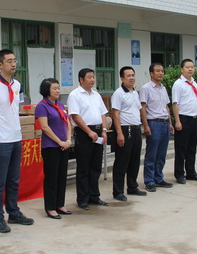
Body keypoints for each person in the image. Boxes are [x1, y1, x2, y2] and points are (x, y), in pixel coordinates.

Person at [0, 49, 34, 233]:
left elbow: (15, 108)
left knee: (14, 180)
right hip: (0, 140)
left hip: (16, 137)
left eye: (14, 60)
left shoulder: (17, 84)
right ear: (0, 64)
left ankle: (13, 212)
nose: (13, 64)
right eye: (9, 61)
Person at [67, 68, 109, 210]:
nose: (92, 80)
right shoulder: (75, 95)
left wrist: (104, 130)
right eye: (89, 77)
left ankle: (94, 196)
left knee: (96, 166)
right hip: (84, 132)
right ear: (81, 79)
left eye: (93, 77)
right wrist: (89, 132)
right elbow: (75, 116)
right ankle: (83, 199)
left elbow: (103, 113)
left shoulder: (96, 95)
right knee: (83, 167)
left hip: (98, 131)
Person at [35, 78, 72, 219]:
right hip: (51, 147)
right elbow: (45, 127)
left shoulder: (60, 105)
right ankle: (50, 207)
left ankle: (60, 204)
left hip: (64, 146)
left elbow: (67, 122)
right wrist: (59, 142)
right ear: (47, 90)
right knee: (51, 178)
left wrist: (68, 140)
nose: (57, 91)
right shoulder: (42, 106)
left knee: (62, 177)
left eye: (58, 88)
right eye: (54, 88)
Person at [110, 66, 147, 201]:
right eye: (128, 76)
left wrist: (143, 127)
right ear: (122, 78)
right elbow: (115, 114)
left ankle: (132, 187)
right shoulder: (119, 93)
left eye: (133, 75)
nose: (131, 78)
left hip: (136, 129)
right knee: (122, 162)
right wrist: (120, 134)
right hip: (125, 130)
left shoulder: (134, 92)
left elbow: (139, 110)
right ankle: (118, 191)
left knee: (134, 161)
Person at [139, 63, 175, 192]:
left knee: (161, 154)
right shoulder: (146, 88)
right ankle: (149, 181)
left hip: (165, 123)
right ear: (151, 73)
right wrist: (146, 125)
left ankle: (158, 178)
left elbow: (166, 107)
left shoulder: (163, 88)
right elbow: (143, 108)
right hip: (154, 123)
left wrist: (170, 123)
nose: (160, 73)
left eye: (162, 71)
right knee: (152, 154)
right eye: (158, 71)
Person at [172, 59, 197, 184]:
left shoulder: (194, 83)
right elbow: (175, 104)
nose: (190, 69)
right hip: (183, 119)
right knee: (181, 149)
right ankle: (179, 174)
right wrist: (177, 121)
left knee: (192, 148)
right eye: (187, 67)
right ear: (182, 69)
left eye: (192, 67)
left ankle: (191, 172)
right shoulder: (178, 84)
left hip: (193, 119)